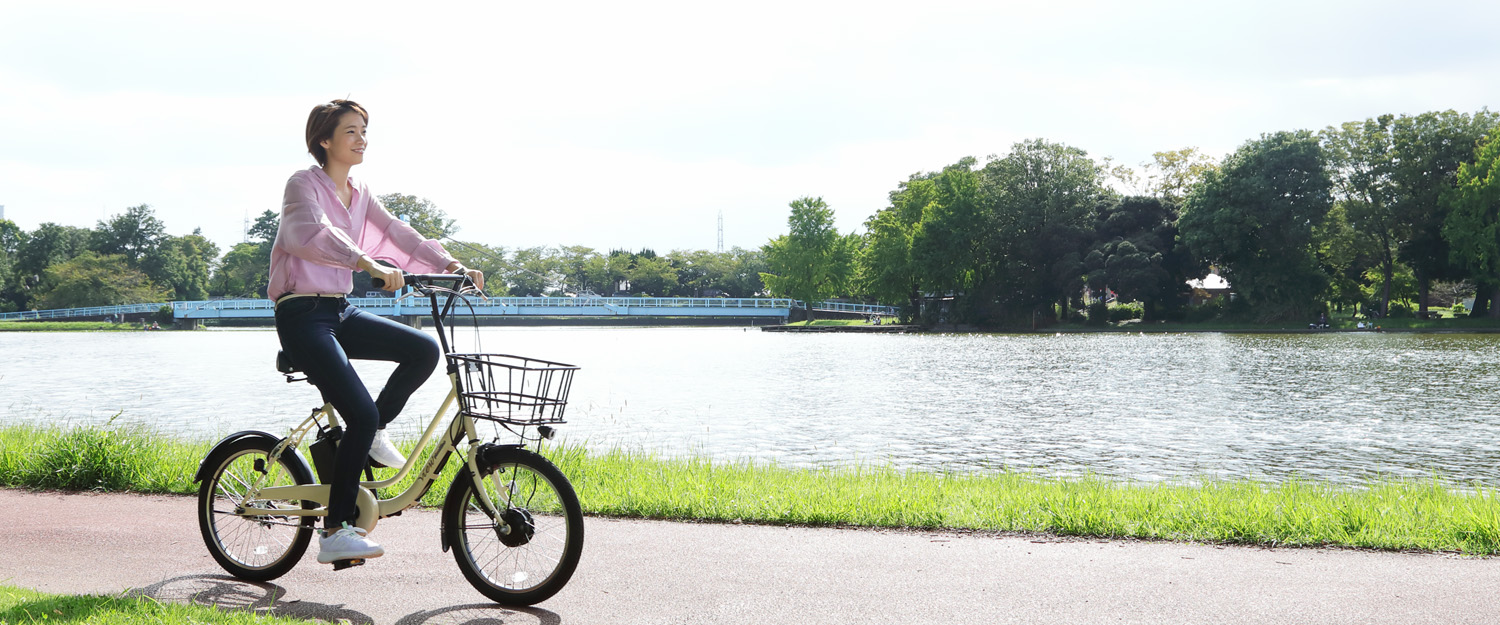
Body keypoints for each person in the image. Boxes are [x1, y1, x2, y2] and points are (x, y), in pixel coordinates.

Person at [269, 100, 484, 566]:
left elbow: (395, 231)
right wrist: (365, 262)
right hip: (302, 315)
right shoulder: (303, 185)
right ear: (324, 140)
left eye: (364, 130)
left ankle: (369, 434)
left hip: (338, 310)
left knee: (423, 350)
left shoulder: (360, 191)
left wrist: (448, 263)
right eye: (351, 131)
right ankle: (335, 530)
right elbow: (311, 231)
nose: (362, 139)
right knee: (360, 412)